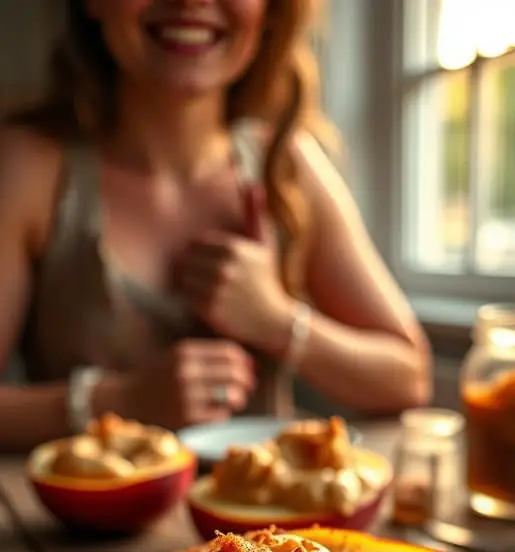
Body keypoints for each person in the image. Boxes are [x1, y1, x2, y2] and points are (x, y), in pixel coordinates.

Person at [0, 0, 431, 453]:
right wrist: (118, 401)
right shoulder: (28, 168)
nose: (190, 2)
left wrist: (277, 321)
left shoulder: (286, 168)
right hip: (70, 524)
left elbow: (408, 376)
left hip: (270, 522)